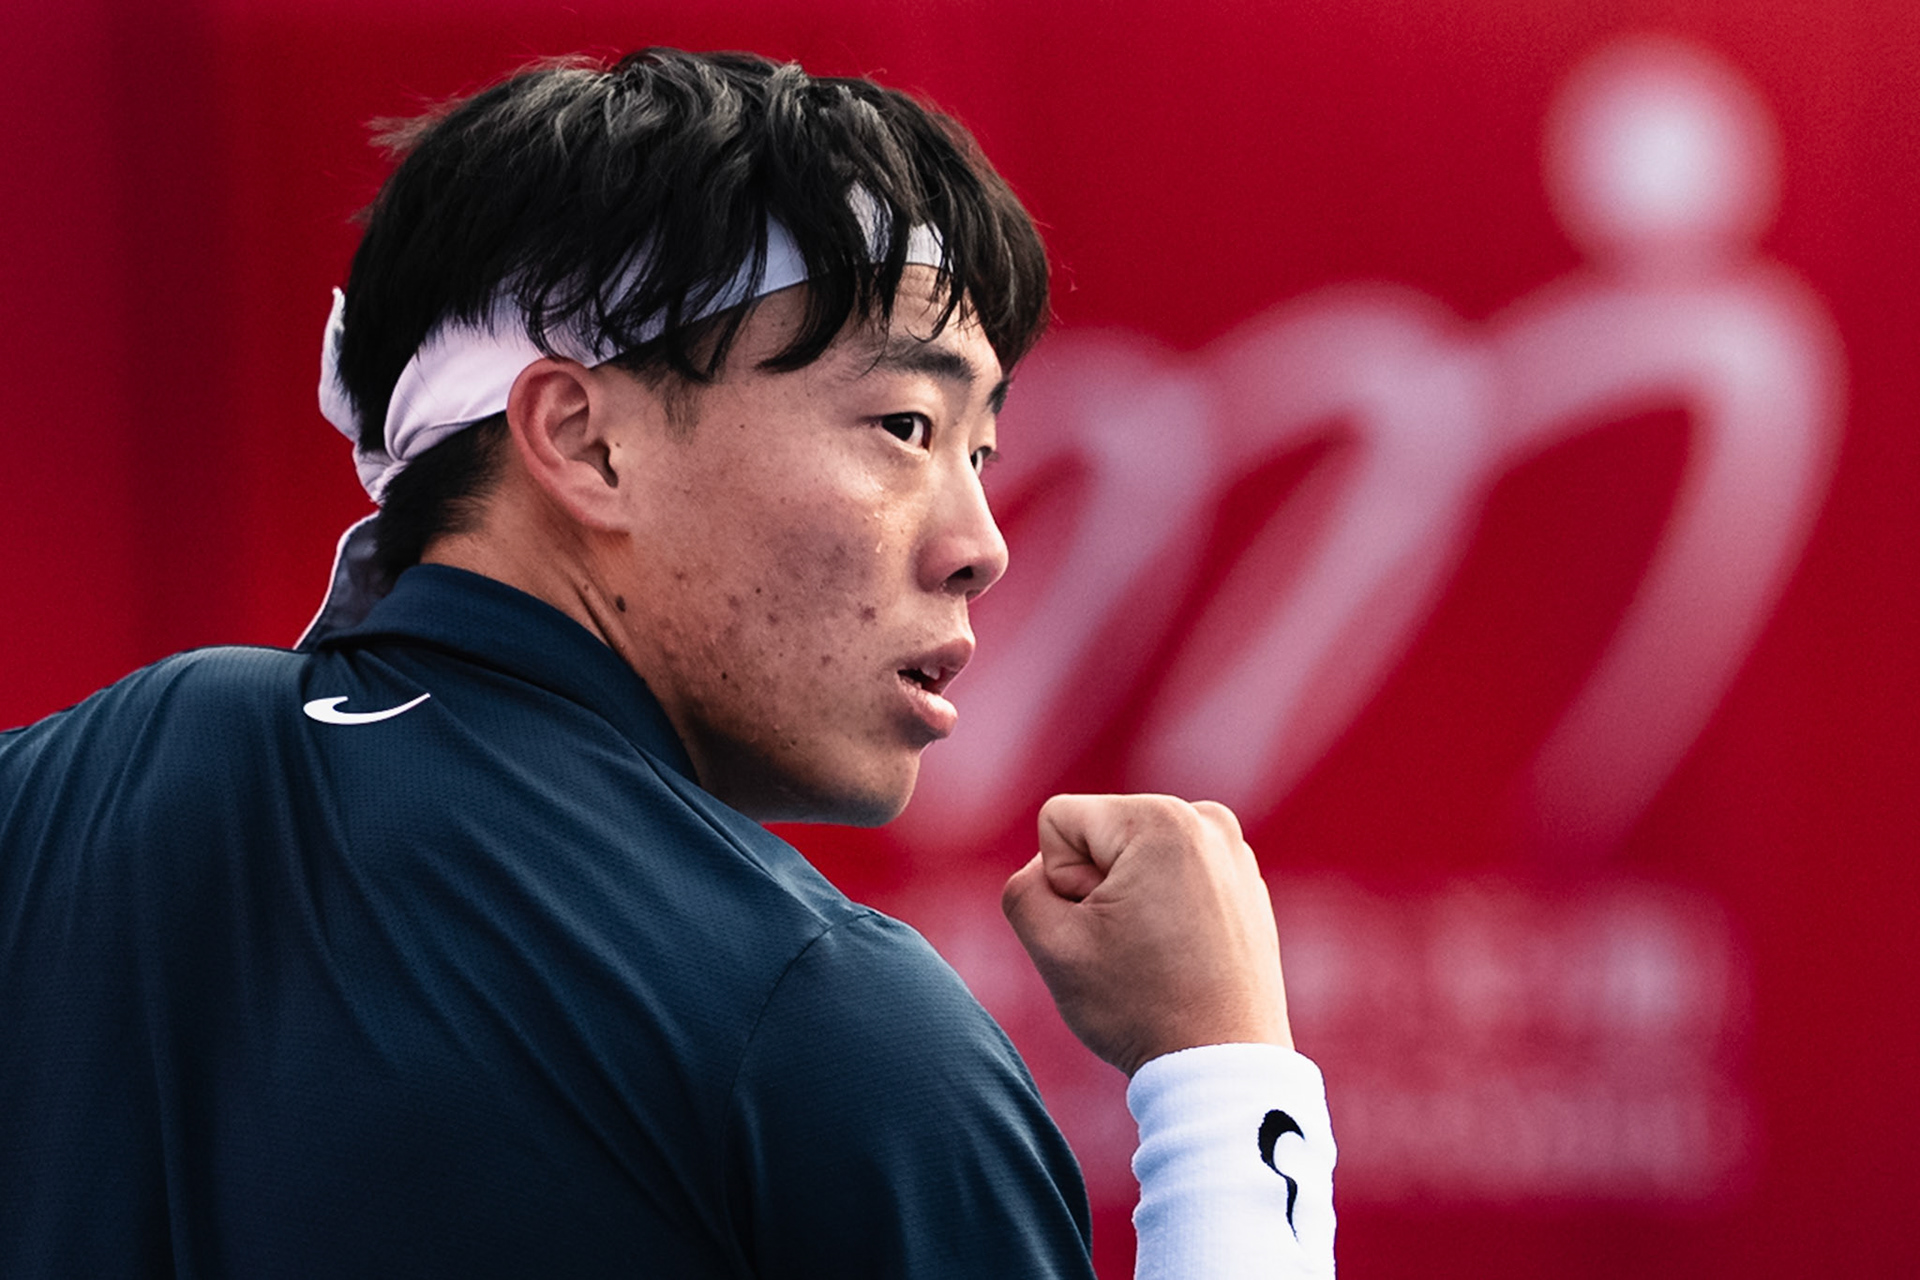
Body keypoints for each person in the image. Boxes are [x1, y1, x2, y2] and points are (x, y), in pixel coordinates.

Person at [0, 48, 1334, 1277]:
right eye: (907, 424)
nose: (979, 542)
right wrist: (1225, 1085)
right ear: (583, 441)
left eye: (978, 451)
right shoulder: (813, 1022)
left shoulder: (74, 788)